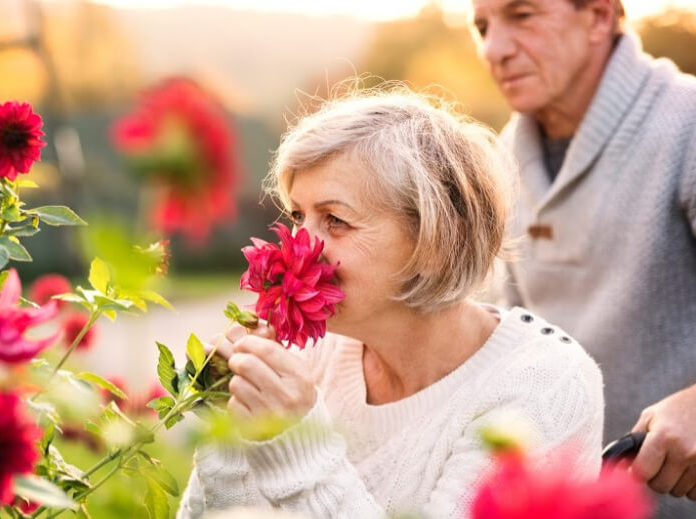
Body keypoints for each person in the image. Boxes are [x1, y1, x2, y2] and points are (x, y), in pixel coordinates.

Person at [177, 88, 605, 518]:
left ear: (436, 242)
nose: (296, 247)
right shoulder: (305, 357)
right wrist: (228, 433)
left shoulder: (542, 388)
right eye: (296, 216)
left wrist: (299, 447)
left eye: (335, 220)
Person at [469, 0, 696, 516]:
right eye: (482, 27)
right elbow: (510, 341)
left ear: (598, 16)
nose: (494, 49)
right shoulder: (504, 158)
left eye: (522, 16)